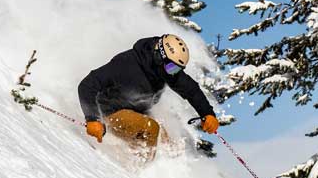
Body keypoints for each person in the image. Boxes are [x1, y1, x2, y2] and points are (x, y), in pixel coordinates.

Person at [77, 34, 219, 150]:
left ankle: (165, 177)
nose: (173, 73)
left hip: (137, 111)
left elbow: (191, 90)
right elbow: (87, 85)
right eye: (171, 68)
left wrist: (207, 113)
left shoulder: (168, 71)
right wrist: (93, 119)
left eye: (177, 70)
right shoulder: (125, 64)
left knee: (169, 145)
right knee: (150, 129)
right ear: (159, 57)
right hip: (109, 112)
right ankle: (139, 175)